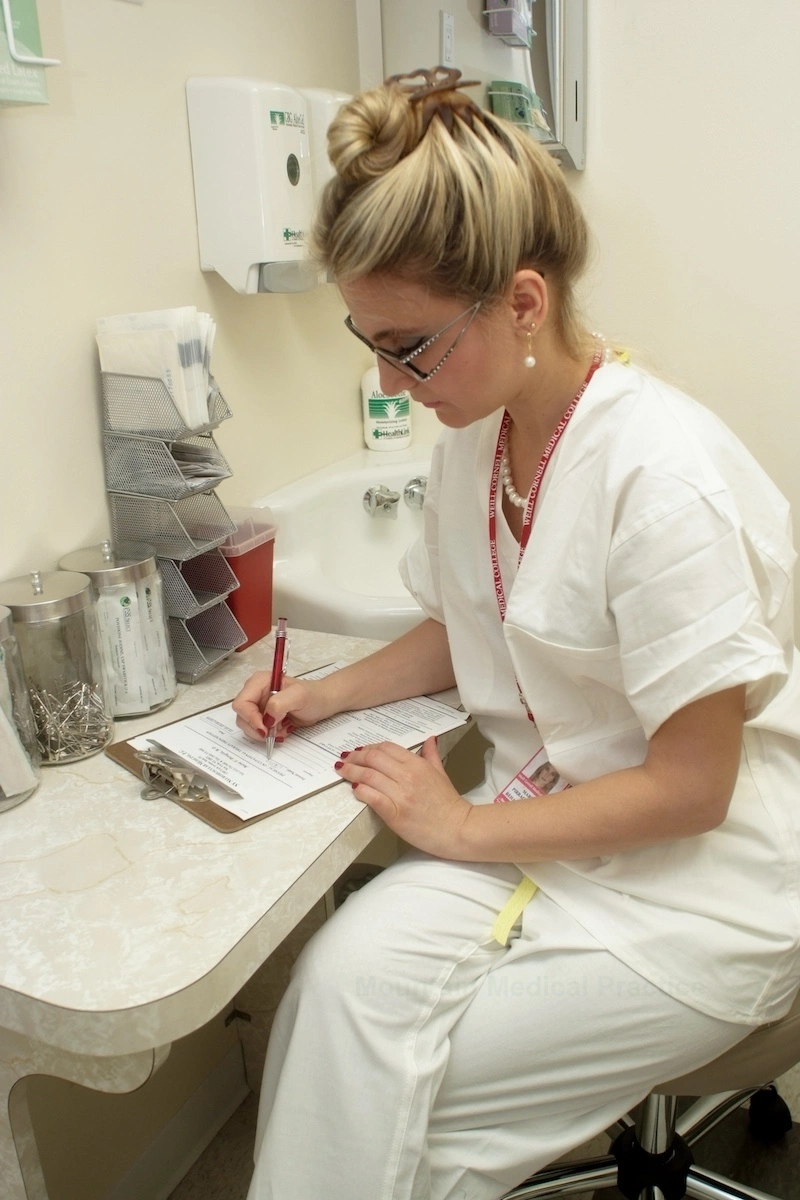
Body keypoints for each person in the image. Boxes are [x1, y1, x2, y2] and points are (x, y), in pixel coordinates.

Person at [234, 67, 800, 1200]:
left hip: (701, 884)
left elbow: (692, 786)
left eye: (411, 345)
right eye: (369, 339)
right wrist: (328, 695)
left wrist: (450, 826)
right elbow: (473, 622)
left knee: (416, 1112)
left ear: (523, 304)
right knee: (333, 998)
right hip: (540, 827)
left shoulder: (659, 476)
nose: (386, 377)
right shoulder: (468, 452)